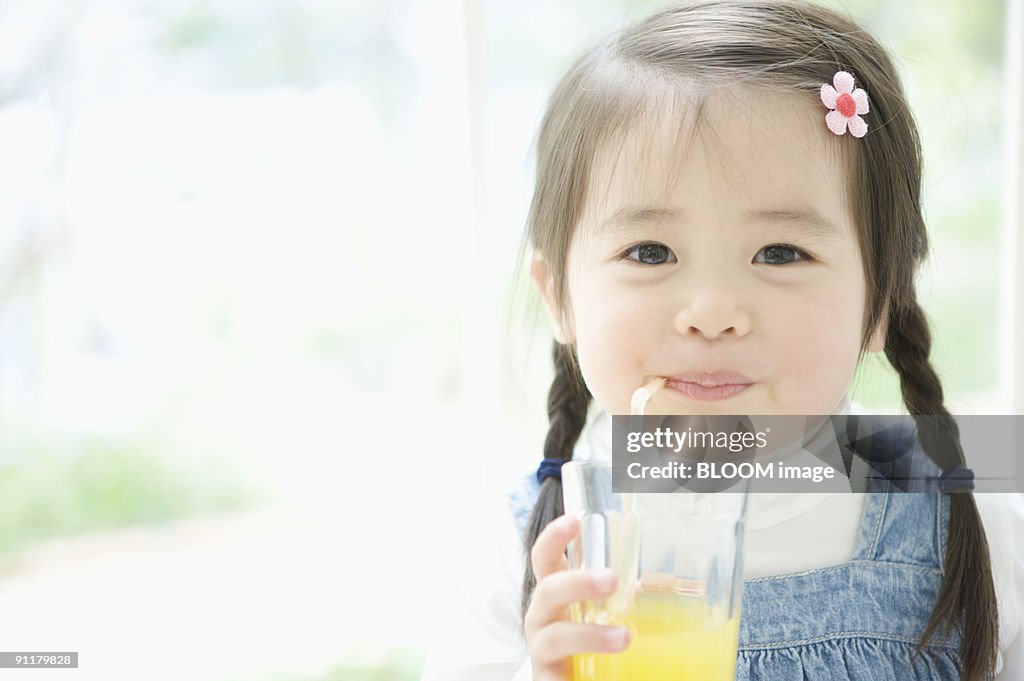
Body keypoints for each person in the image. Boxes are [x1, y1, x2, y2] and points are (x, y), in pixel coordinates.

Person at [419, 1, 1023, 679]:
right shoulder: (518, 550)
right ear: (558, 295)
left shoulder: (980, 524)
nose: (711, 313)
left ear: (881, 298)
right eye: (650, 251)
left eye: (780, 252)